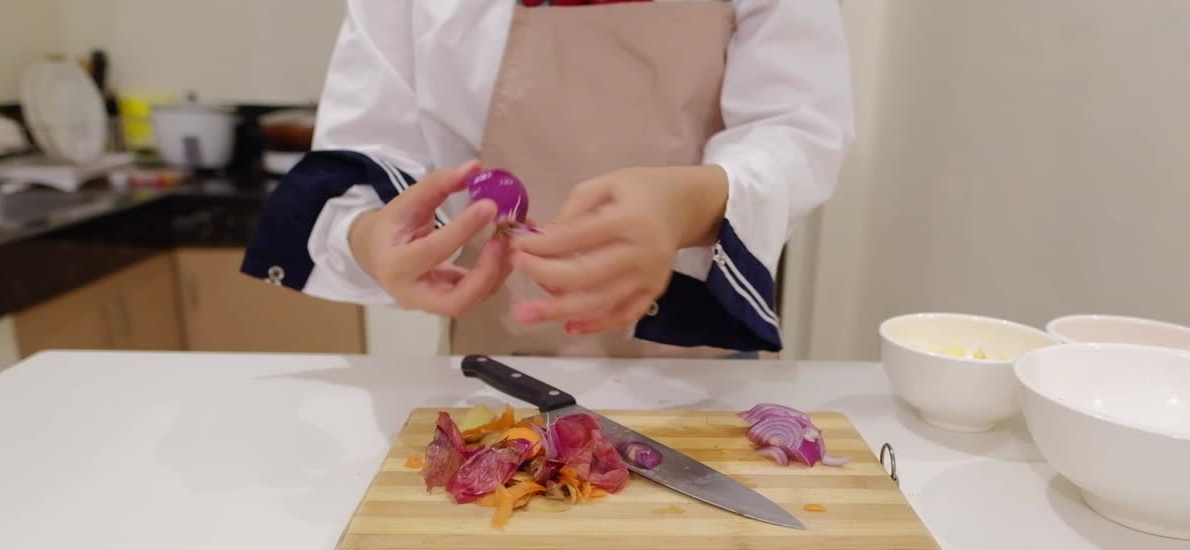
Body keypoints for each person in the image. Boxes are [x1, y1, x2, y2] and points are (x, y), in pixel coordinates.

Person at [241, 0, 854, 358]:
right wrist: (369, 236)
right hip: (491, 360)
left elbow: (798, 125)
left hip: (692, 365)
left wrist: (687, 204)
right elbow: (363, 155)